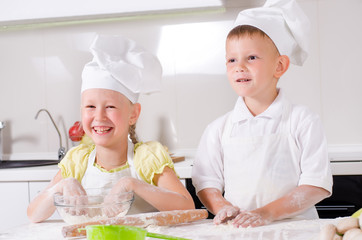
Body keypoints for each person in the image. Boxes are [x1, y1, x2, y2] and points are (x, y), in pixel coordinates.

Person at [192, 0, 333, 228]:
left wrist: (265, 213)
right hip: (241, 231)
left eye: (252, 57)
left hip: (297, 231)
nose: (239, 66)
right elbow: (206, 183)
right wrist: (222, 208)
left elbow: (316, 185)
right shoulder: (218, 129)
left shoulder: (302, 121)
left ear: (279, 66)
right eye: (232, 59)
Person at [27, 35, 194, 223]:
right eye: (90, 107)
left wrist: (131, 184)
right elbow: (33, 214)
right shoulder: (77, 161)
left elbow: (187, 206)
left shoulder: (147, 158)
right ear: (81, 111)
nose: (99, 117)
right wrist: (63, 185)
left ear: (133, 114)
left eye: (110, 107)